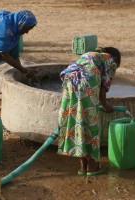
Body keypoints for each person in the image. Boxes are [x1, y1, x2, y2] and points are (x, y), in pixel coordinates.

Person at [57, 47, 121, 175]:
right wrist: (105, 106)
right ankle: (92, 165)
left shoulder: (89, 55)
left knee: (76, 120)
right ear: (116, 59)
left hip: (69, 80)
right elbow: (102, 91)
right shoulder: (111, 61)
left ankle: (83, 165)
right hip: (86, 83)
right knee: (90, 122)